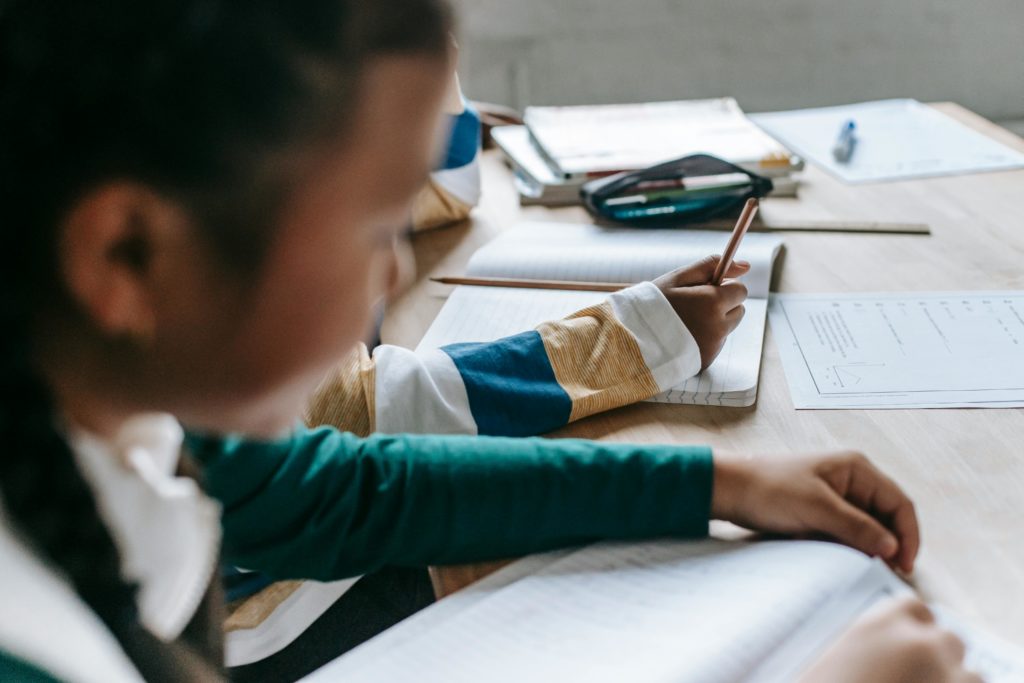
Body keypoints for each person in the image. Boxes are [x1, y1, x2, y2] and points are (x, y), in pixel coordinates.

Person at [0, 1, 978, 682]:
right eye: (371, 224)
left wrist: (721, 484)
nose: (391, 273)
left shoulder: (109, 407)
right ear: (125, 254)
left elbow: (325, 489)